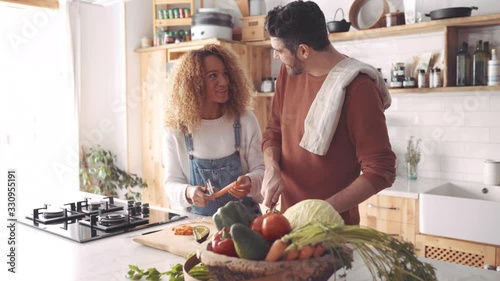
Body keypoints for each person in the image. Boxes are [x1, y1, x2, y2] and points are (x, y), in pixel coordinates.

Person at [261, 0, 396, 225]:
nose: (277, 57)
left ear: (303, 50)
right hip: (286, 223)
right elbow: (274, 131)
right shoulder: (289, 73)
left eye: (279, 51)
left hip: (335, 230)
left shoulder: (359, 87)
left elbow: (381, 170)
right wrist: (272, 168)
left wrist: (320, 212)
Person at [163, 44, 264, 216]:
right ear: (194, 83)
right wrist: (188, 192)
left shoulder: (245, 120)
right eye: (213, 76)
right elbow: (171, 183)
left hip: (246, 224)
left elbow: (261, 171)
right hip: (198, 225)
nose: (224, 82)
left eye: (225, 74)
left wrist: (250, 181)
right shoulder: (177, 130)